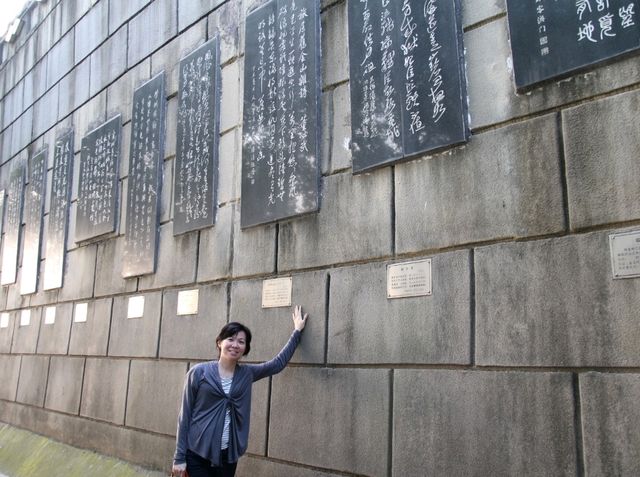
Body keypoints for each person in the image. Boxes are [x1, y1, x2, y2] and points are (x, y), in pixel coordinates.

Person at [171, 305, 309, 477]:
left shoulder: (247, 374)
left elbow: (277, 364)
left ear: (245, 348)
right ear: (219, 342)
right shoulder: (199, 373)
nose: (235, 345)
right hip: (197, 454)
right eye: (230, 339)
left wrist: (297, 331)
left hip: (228, 457)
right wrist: (179, 458)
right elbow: (184, 417)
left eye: (241, 341)